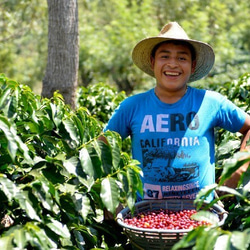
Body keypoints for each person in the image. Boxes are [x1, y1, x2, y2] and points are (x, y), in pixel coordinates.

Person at [103, 21, 250, 202]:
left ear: (193, 66)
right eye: (165, 57)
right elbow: (101, 148)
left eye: (182, 58)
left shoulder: (211, 102)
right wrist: (111, 198)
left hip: (201, 217)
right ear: (153, 62)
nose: (173, 64)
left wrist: (237, 171)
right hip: (146, 219)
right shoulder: (132, 107)